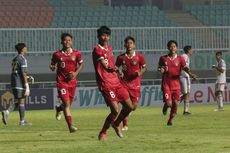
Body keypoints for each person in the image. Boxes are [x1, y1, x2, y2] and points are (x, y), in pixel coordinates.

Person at [92, 26, 135, 141]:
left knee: (130, 107)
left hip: (116, 82)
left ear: (109, 37)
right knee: (115, 110)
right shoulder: (97, 50)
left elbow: (111, 63)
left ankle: (116, 124)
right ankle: (103, 132)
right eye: (103, 35)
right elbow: (104, 66)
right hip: (105, 83)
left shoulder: (109, 48)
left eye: (107, 35)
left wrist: (118, 71)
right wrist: (113, 69)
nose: (105, 37)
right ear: (99, 36)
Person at [50, 33, 84, 133]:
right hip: (61, 82)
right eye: (65, 40)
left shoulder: (76, 53)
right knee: (66, 103)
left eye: (69, 40)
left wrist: (75, 73)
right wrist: (52, 67)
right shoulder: (57, 54)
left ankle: (58, 109)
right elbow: (52, 65)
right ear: (61, 41)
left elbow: (81, 64)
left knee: (67, 105)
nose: (67, 42)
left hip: (72, 83)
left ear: (71, 42)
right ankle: (70, 126)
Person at [158, 40, 197, 126]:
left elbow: (185, 68)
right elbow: (159, 68)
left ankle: (170, 120)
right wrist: (161, 69)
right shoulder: (163, 58)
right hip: (166, 84)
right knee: (169, 103)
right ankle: (166, 106)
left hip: (176, 84)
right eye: (171, 46)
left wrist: (191, 74)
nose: (173, 48)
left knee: (175, 104)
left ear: (177, 48)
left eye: (174, 46)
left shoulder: (180, 59)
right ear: (168, 48)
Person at [116, 36, 147, 131]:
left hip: (135, 85)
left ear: (134, 45)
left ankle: (118, 123)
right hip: (124, 84)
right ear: (124, 45)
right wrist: (119, 72)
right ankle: (122, 124)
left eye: (131, 43)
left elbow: (144, 67)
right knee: (126, 106)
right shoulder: (121, 57)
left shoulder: (139, 57)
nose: (129, 45)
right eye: (127, 43)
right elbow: (115, 68)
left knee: (133, 107)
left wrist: (139, 73)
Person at [2, 43, 32, 126]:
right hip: (19, 82)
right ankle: (9, 112)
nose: (26, 49)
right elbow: (23, 73)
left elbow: (18, 71)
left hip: (14, 81)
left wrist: (28, 77)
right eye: (25, 48)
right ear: (22, 49)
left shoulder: (15, 58)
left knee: (20, 100)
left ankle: (20, 120)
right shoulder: (22, 59)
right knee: (21, 100)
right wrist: (27, 85)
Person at [180, 45, 196, 115]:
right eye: (191, 50)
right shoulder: (185, 57)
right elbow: (184, 67)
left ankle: (174, 105)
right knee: (186, 94)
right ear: (188, 50)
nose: (192, 51)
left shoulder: (184, 56)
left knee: (185, 94)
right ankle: (185, 111)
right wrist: (191, 75)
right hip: (184, 76)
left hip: (183, 76)